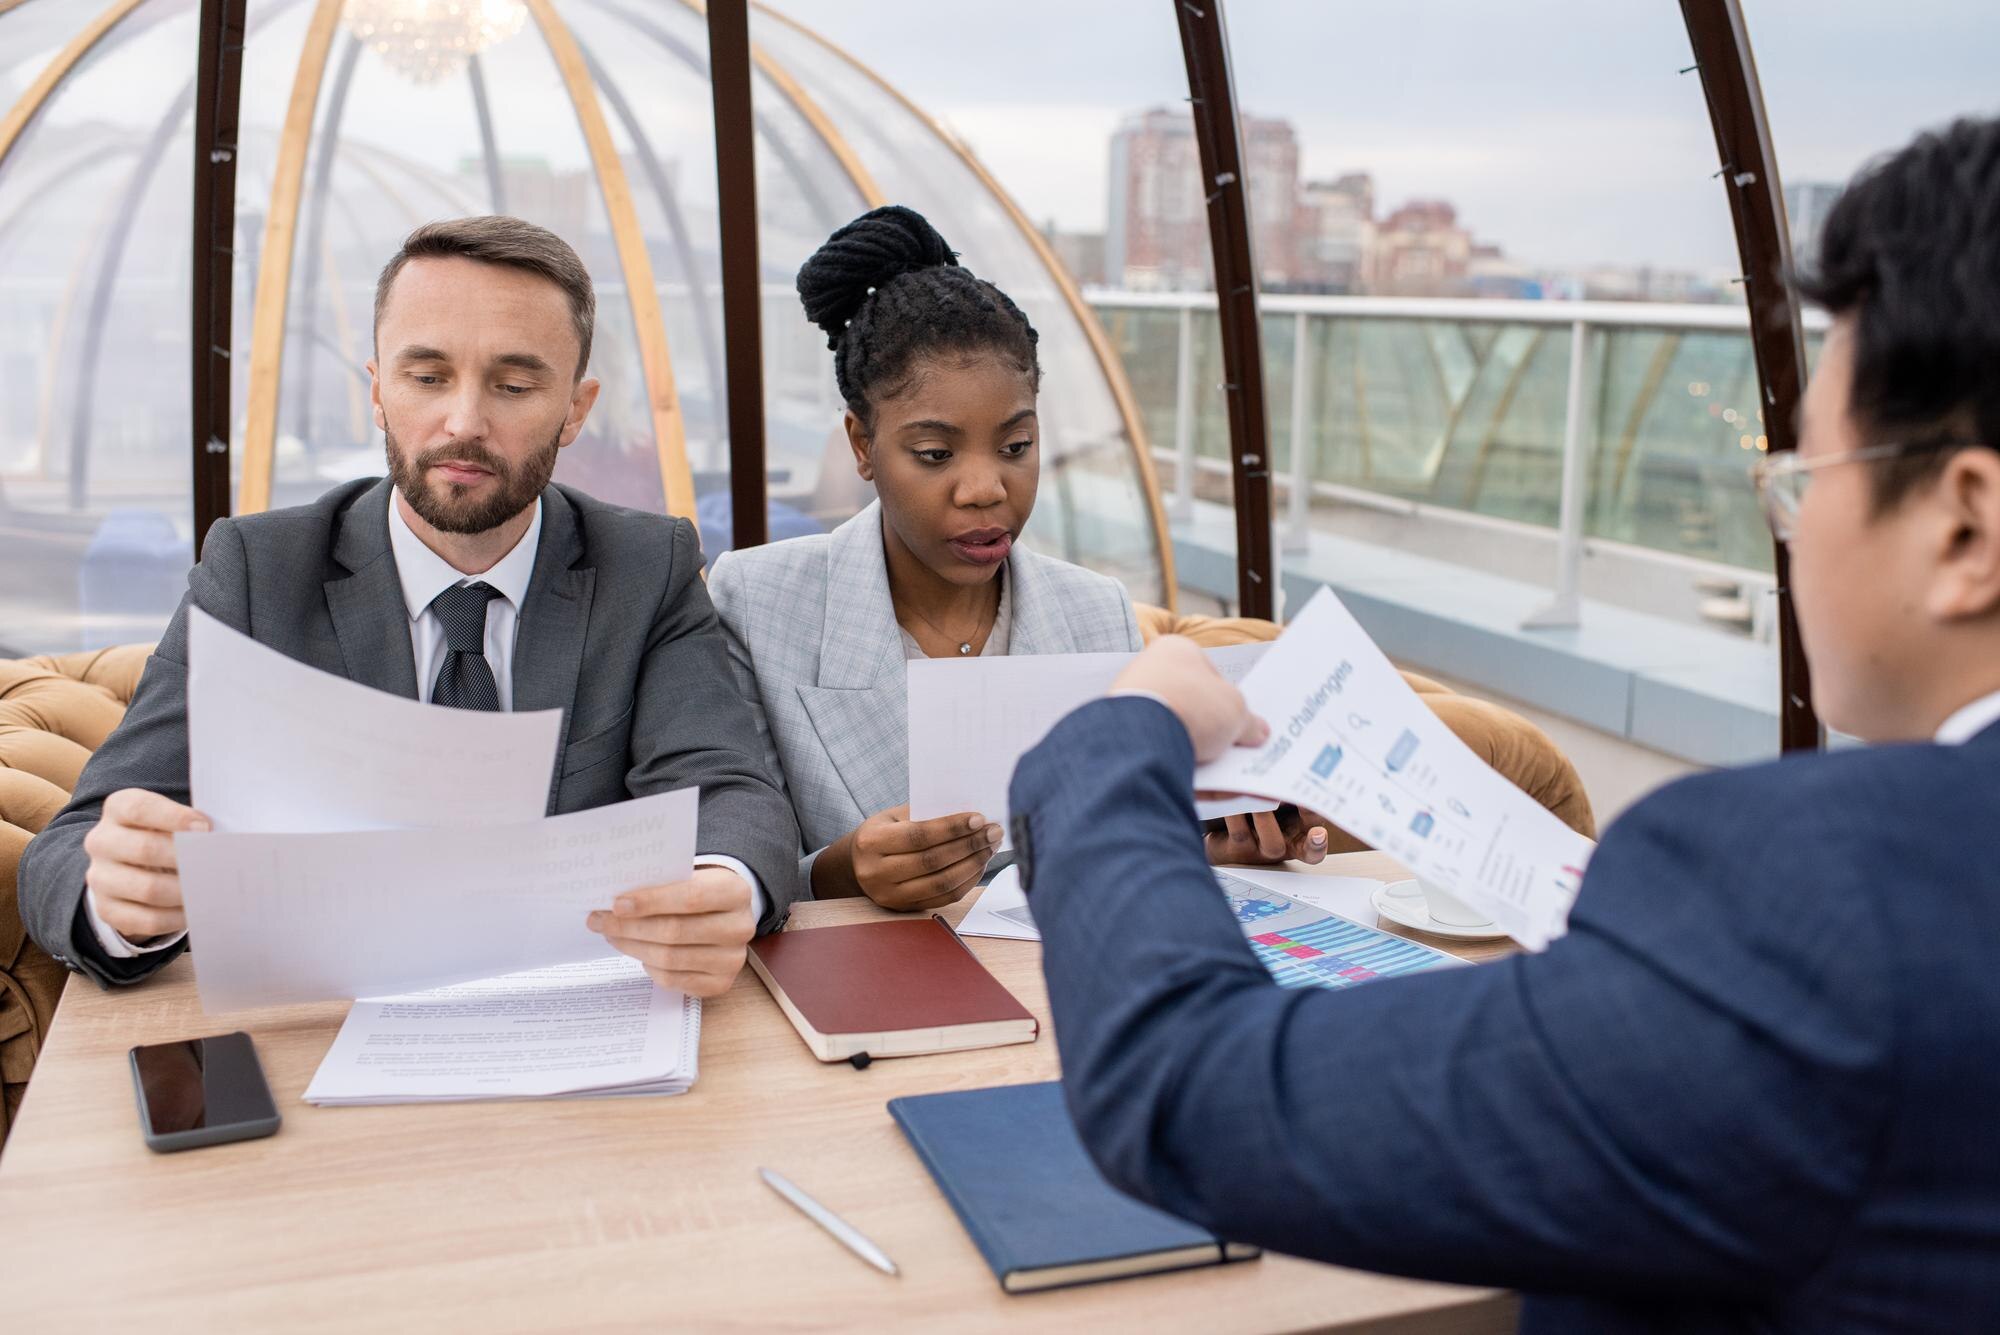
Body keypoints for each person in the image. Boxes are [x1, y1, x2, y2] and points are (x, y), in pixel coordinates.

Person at [1012, 117, 2000, 1330]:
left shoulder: (1818, 904)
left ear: (1962, 526)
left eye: (1801, 482)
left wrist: (1120, 738)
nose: (1790, 538)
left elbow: (1191, 1093)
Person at [20, 215, 801, 999]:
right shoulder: (257, 571)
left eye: (514, 385)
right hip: (319, 1033)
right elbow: (68, 852)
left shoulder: (646, 564)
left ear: (576, 408)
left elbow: (731, 794)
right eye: (427, 377)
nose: (463, 422)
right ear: (378, 391)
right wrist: (121, 901)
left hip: (575, 1034)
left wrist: (722, 885)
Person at [710, 205, 1184, 910]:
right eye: (935, 454)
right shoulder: (756, 603)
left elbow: (1120, 851)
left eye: (1017, 447)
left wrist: (1205, 838)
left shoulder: (1096, 615)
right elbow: (731, 857)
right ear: (863, 445)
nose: (986, 489)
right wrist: (842, 871)